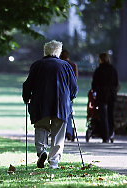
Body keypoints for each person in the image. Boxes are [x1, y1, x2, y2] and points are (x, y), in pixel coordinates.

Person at [22, 40, 78, 169]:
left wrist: (26, 98)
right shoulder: (66, 66)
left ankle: (42, 151)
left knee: (41, 127)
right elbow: (74, 87)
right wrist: (71, 98)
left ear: (45, 51)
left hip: (41, 103)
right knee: (58, 132)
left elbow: (27, 84)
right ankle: (53, 162)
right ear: (58, 52)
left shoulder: (37, 65)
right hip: (61, 103)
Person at [91, 53, 119, 143]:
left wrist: (95, 91)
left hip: (102, 94)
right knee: (111, 115)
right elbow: (116, 83)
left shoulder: (99, 70)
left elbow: (94, 84)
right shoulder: (113, 69)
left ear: (101, 59)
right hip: (112, 94)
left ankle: (105, 136)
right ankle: (111, 133)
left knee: (104, 116)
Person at [59, 50, 78, 141]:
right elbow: (75, 78)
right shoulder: (73, 65)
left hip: (60, 92)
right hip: (69, 92)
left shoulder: (59, 64)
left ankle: (60, 131)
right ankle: (69, 132)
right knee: (69, 112)